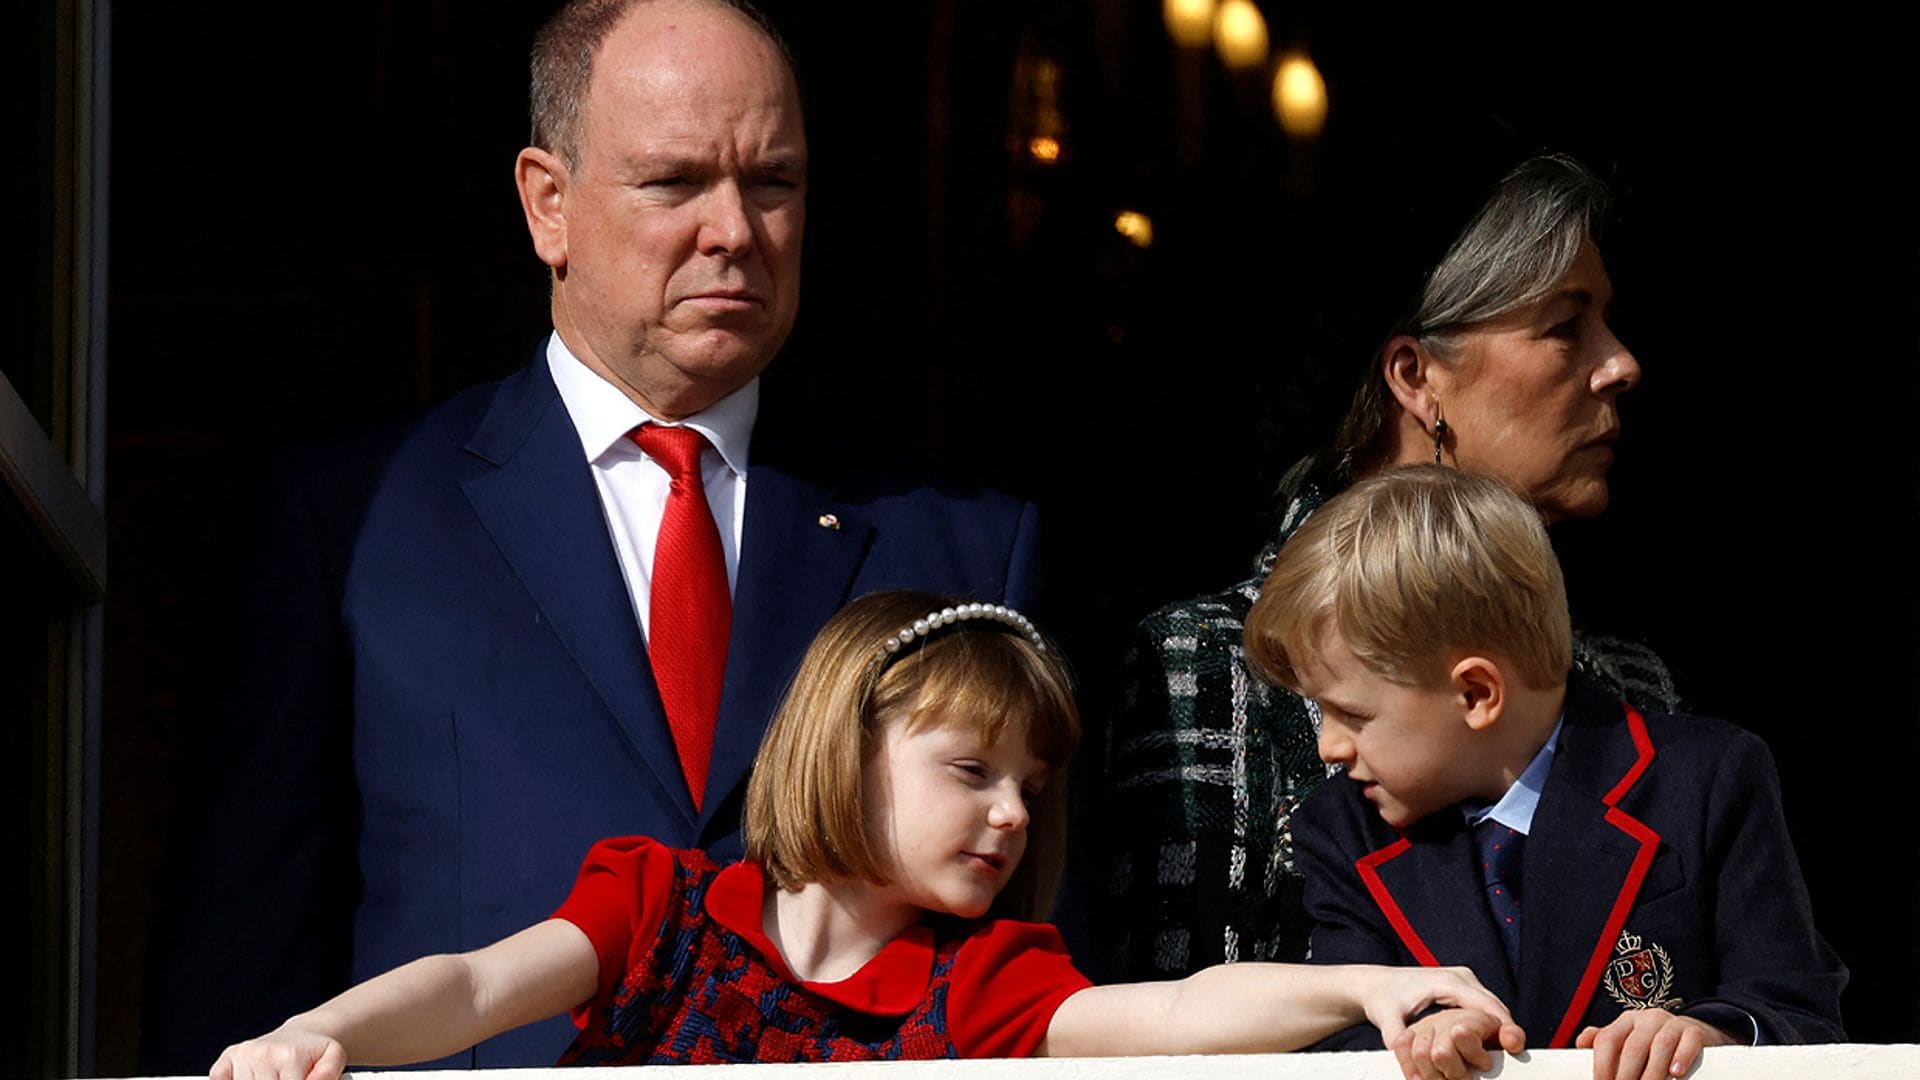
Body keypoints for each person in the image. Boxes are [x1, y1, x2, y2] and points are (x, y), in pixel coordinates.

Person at [143, 1, 1044, 1070]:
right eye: (674, 182)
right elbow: (243, 951)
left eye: (774, 183)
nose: (735, 232)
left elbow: (1034, 982)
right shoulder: (347, 518)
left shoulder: (957, 550)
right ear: (548, 206)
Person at [208, 590, 1520, 1077]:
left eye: (1032, 784)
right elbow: (477, 987)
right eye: (970, 769)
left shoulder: (983, 981)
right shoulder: (658, 905)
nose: (1012, 813)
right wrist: (312, 1039)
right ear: (848, 744)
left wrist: (1371, 984)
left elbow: (1179, 1012)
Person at [1100, 153, 1680, 982]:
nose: (1621, 363)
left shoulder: (1628, 693)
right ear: (1416, 378)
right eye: (1564, 325)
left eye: (1606, 322)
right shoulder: (1209, 667)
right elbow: (1183, 1036)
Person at [1241, 467, 1846, 1080]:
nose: (1327, 747)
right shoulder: (1341, 831)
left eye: (1351, 713)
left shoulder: (1708, 779)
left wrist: (1708, 1034)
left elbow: (1797, 1010)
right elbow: (1335, 1036)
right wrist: (1422, 1043)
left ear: (1476, 693)